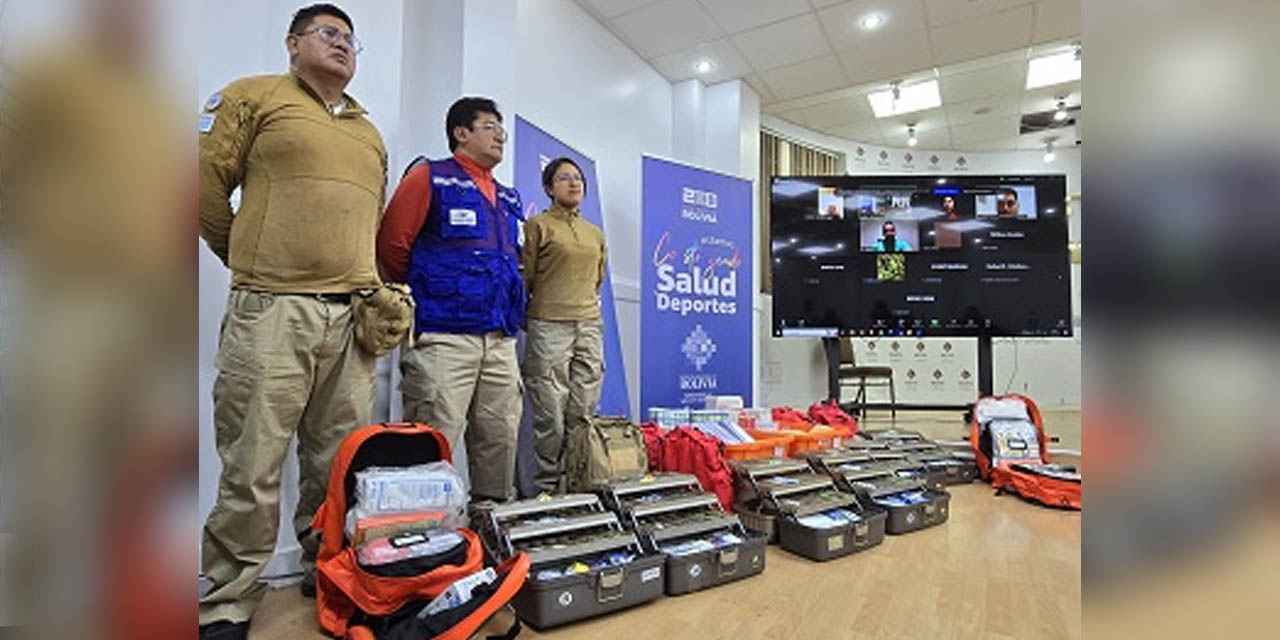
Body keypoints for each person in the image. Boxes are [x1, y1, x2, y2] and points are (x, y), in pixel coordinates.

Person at [197, 5, 384, 639]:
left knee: (339, 465)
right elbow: (203, 190)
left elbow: (369, 222)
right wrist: (252, 263)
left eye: (350, 40)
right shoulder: (253, 97)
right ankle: (224, 599)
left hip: (350, 321)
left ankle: (327, 572)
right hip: (271, 310)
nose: (342, 45)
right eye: (329, 34)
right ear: (292, 42)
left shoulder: (368, 131)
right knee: (252, 463)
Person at [377, 97, 525, 504]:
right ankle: (426, 538)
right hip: (444, 336)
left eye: (501, 129)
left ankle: (490, 525)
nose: (499, 136)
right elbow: (393, 247)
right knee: (433, 434)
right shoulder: (430, 177)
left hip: (499, 339)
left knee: (500, 435)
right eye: (489, 127)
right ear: (461, 133)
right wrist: (431, 289)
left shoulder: (509, 197)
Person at [520, 158, 608, 494]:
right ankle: (548, 490)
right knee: (550, 414)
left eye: (578, 178)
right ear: (548, 188)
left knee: (583, 411)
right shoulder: (538, 225)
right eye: (563, 178)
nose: (573, 183)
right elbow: (526, 276)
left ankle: (579, 486)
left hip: (588, 325)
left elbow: (597, 280)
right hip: (548, 325)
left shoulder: (594, 233)